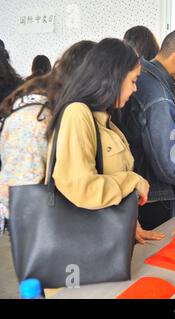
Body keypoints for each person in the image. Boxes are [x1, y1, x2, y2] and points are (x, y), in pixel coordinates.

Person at [46, 38, 164, 244]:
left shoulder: (105, 120)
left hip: (108, 242)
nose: (135, 89)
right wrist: (132, 180)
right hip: (83, 248)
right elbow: (82, 189)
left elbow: (106, 178)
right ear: (114, 78)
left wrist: (128, 222)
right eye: (133, 81)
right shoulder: (78, 113)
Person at [112, 27, 175, 231]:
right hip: (151, 198)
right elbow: (168, 165)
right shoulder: (159, 97)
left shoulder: (144, 76)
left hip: (134, 191)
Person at [0, 40, 96, 235]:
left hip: (43, 227)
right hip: (26, 234)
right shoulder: (35, 118)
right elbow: (19, 194)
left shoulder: (64, 110)